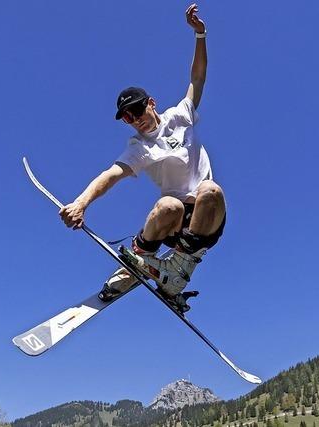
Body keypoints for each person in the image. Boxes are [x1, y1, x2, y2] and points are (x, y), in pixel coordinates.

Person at [59, 4, 225, 313]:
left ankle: (177, 272)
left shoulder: (180, 115)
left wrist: (200, 34)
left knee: (211, 190)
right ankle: (137, 263)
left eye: (137, 111)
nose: (135, 120)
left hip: (206, 220)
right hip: (174, 223)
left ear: (151, 103)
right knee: (168, 205)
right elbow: (111, 174)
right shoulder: (139, 147)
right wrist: (81, 202)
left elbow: (198, 78)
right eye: (127, 118)